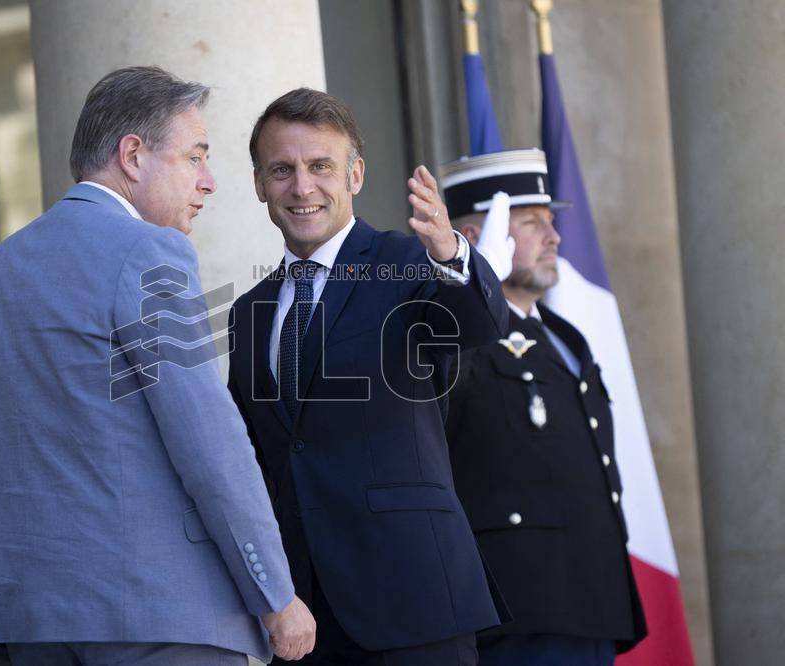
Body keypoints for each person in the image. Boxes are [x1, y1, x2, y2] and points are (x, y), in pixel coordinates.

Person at [0, 66, 315, 665]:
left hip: (26, 623)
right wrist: (274, 595)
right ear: (132, 155)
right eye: (195, 157)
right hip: (157, 621)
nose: (210, 182)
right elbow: (210, 446)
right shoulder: (149, 251)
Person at [226, 87, 512, 665]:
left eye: (320, 166)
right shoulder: (249, 311)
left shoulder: (406, 264)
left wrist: (450, 252)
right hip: (300, 614)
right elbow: (255, 453)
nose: (302, 187)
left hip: (411, 597)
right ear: (259, 185)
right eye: (281, 170)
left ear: (356, 175)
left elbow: (480, 324)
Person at [441, 149, 647, 665]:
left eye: (550, 223)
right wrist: (470, 287)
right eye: (531, 224)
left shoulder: (563, 337)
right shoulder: (456, 336)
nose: (554, 238)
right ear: (474, 238)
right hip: (520, 606)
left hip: (591, 599)